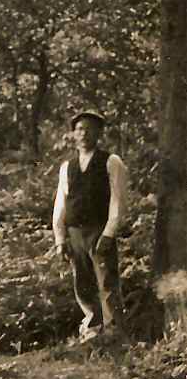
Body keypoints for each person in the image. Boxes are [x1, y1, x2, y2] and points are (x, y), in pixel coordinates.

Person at [53, 108, 128, 342]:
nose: (84, 134)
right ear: (73, 135)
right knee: (82, 283)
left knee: (107, 281)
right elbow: (61, 204)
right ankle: (93, 332)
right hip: (75, 232)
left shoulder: (111, 161)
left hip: (99, 230)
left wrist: (109, 232)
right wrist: (60, 238)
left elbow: (118, 199)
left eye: (89, 129)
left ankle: (115, 333)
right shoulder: (68, 166)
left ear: (99, 133)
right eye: (79, 129)